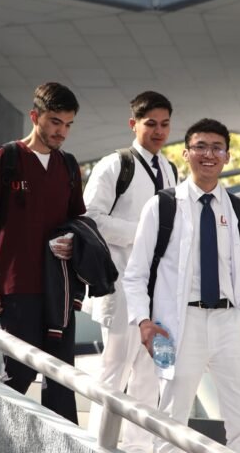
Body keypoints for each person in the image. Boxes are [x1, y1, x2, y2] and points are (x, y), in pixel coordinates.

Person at [124, 118, 240, 453]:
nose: (209, 154)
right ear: (186, 154)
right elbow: (136, 273)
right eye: (200, 146)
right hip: (177, 325)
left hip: (229, 323)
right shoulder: (163, 205)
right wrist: (143, 321)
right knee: (170, 423)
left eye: (217, 148)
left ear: (227, 156)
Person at [0, 82, 85, 424]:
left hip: (60, 289)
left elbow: (77, 224)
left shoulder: (69, 166)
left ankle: (64, 446)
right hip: (17, 288)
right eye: (55, 122)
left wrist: (75, 243)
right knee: (19, 375)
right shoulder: (6, 159)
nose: (62, 131)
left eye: (68, 124)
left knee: (62, 382)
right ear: (35, 117)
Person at [83, 91, 177, 451]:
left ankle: (139, 448)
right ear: (133, 124)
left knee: (150, 376)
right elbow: (90, 217)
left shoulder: (170, 169)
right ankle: (96, 447)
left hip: (158, 289)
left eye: (165, 124)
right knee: (114, 371)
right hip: (121, 283)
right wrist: (142, 233)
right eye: (151, 123)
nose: (158, 131)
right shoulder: (115, 164)